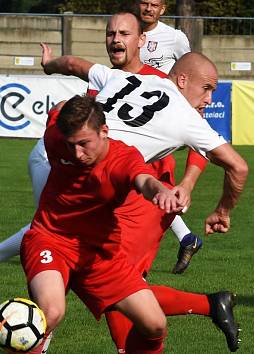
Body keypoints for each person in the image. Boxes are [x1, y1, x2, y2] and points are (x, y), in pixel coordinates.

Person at [0, 13, 203, 299]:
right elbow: (73, 67)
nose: (115, 40)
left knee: (68, 232)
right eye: (110, 33)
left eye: (124, 34)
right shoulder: (107, 78)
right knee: (59, 232)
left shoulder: (161, 86)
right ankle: (16, 291)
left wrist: (187, 184)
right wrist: (50, 65)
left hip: (92, 166)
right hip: (59, 157)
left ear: (141, 40)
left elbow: (204, 143)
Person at [39, 45, 247, 352]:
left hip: (142, 197)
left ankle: (208, 306)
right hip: (115, 193)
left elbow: (72, 63)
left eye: (125, 34)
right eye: (206, 89)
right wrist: (222, 210)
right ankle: (211, 304)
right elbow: (238, 166)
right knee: (110, 285)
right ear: (181, 79)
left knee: (113, 285)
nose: (210, 99)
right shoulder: (181, 113)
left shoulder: (125, 77)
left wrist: (48, 65)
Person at [23, 95, 182, 354]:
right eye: (71, 145)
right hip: (49, 238)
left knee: (155, 324)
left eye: (84, 144)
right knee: (51, 312)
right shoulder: (56, 137)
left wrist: (160, 192)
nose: (77, 153)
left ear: (104, 131)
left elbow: (144, 180)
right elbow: (57, 111)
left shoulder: (123, 159)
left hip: (99, 256)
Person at [137, 0, 191, 74]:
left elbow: (187, 68)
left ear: (162, 9)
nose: (148, 9)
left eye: (154, 5)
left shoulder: (175, 37)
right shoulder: (123, 33)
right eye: (144, 4)